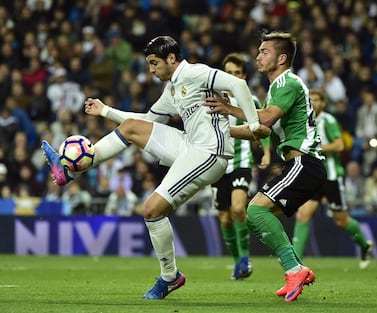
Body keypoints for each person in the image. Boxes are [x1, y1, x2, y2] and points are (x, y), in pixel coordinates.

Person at [41, 35, 269, 299]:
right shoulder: (172, 89)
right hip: (189, 145)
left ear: (171, 58)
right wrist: (106, 111)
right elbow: (147, 120)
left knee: (151, 209)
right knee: (130, 128)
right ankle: (72, 171)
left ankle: (170, 277)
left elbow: (238, 84)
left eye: (154, 63)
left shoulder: (195, 73)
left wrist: (253, 124)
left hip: (209, 152)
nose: (150, 69)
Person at [205, 30, 326, 302]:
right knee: (257, 216)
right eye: (258, 51)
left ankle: (294, 269)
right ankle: (297, 269)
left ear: (281, 58)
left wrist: (229, 110)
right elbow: (258, 131)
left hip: (304, 162)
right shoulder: (278, 87)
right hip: (301, 164)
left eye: (264, 52)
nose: (258, 56)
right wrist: (222, 131)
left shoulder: (286, 82)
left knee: (255, 210)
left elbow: (266, 120)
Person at [291, 90, 374, 269]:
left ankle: (365, 246)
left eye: (317, 100)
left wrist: (317, 148)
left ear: (323, 104)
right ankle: (295, 260)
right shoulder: (303, 120)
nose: (313, 103)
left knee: (341, 220)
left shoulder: (328, 120)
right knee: (303, 215)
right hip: (314, 176)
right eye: (310, 100)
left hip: (331, 176)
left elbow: (340, 144)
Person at [211, 52, 271, 280]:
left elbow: (261, 126)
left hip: (241, 162)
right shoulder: (212, 97)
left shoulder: (250, 100)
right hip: (216, 163)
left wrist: (266, 151)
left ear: (243, 76)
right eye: (229, 73)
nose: (233, 77)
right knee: (225, 218)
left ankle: (245, 258)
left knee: (238, 209)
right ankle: (237, 261)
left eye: (237, 73)